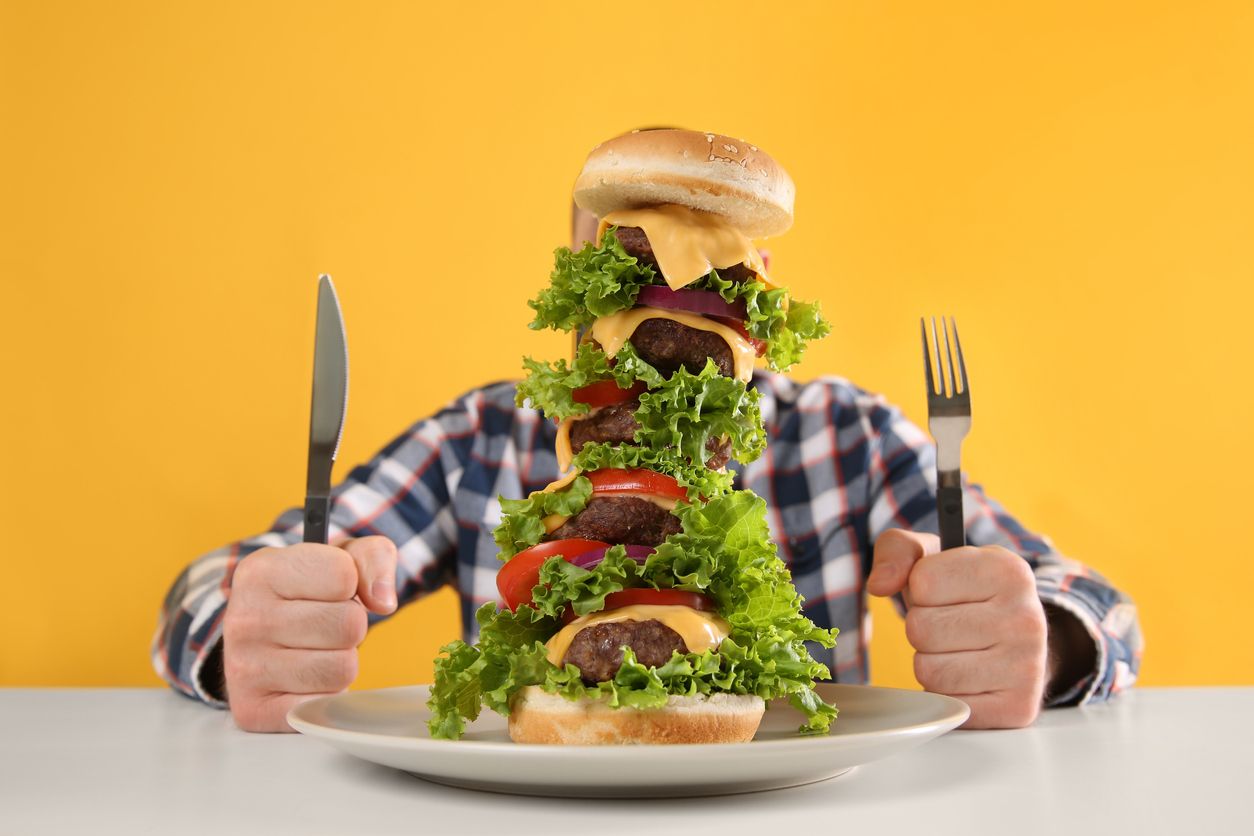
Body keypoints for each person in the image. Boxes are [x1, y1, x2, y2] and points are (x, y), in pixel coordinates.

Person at [152, 206, 1142, 733]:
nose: (668, 313)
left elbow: (1095, 601)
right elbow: (230, 578)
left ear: (755, 303)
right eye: (630, 278)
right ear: (576, 280)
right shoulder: (481, 437)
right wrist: (251, 620)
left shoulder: (851, 435)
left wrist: (1039, 641)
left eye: (706, 283)